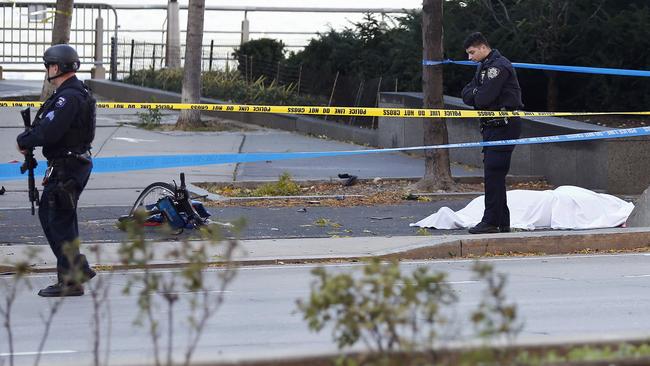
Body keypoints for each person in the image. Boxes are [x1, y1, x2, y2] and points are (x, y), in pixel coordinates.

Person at [16, 44, 97, 296]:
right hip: (71, 163)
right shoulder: (75, 91)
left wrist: (25, 140)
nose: (47, 70)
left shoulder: (68, 97)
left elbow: (50, 130)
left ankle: (75, 272)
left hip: (68, 165)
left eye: (49, 65)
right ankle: (71, 278)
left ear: (57, 67)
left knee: (55, 218)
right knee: (61, 218)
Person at [461, 32, 523, 234]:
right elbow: (466, 94)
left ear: (482, 47)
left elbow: (483, 98)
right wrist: (477, 92)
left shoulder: (498, 66)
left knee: (493, 175)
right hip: (491, 126)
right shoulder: (483, 66)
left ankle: (491, 222)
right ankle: (502, 221)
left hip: (503, 125)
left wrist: (477, 93)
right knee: (494, 175)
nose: (469, 58)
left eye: (471, 53)